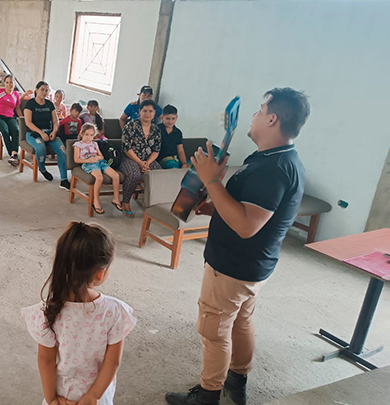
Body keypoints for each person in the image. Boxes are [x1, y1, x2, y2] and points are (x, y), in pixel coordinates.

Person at [165, 88, 309, 405]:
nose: (254, 115)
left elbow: (247, 225)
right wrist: (214, 205)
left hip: (233, 267)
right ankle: (236, 381)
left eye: (260, 111)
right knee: (241, 322)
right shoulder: (276, 159)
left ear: (272, 119)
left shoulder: (272, 169)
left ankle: (207, 396)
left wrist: (212, 180)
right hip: (254, 266)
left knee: (214, 331)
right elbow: (250, 210)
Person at [21, 221, 136, 405]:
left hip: (62, 393)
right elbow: (112, 362)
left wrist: (52, 399)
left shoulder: (46, 311)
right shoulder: (115, 311)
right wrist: (93, 396)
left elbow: (46, 360)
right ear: (100, 273)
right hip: (97, 397)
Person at [118, 99, 162, 217]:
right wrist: (139, 162)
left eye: (150, 111)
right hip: (129, 158)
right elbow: (127, 148)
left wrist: (147, 163)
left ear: (154, 113)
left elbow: (156, 150)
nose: (147, 114)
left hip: (148, 159)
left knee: (159, 173)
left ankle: (153, 203)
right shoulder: (131, 126)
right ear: (140, 112)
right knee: (134, 174)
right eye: (145, 111)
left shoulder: (156, 129)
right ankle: (126, 202)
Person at [24, 81, 69, 190]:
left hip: (50, 134)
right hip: (34, 134)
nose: (45, 92)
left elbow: (55, 120)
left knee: (62, 151)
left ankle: (64, 179)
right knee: (41, 148)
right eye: (42, 89)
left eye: (47, 90)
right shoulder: (30, 104)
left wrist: (54, 131)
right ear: (36, 90)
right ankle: (42, 169)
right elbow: (28, 122)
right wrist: (41, 133)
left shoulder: (50, 104)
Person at [74, 124, 121, 215]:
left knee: (116, 176)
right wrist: (89, 160)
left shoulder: (95, 144)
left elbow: (101, 156)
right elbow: (76, 159)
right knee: (99, 178)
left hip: (100, 162)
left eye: (91, 135)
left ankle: (116, 199)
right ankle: (96, 200)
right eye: (87, 134)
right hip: (88, 164)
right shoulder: (78, 145)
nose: (89, 137)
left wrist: (97, 158)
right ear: (82, 134)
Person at [157, 105, 188, 169]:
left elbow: (180, 150)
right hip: (163, 159)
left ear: (176, 118)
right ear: (162, 118)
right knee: (173, 167)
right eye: (167, 118)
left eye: (173, 118)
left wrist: (184, 163)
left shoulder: (178, 132)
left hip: (176, 158)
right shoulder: (156, 130)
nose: (170, 121)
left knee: (193, 167)